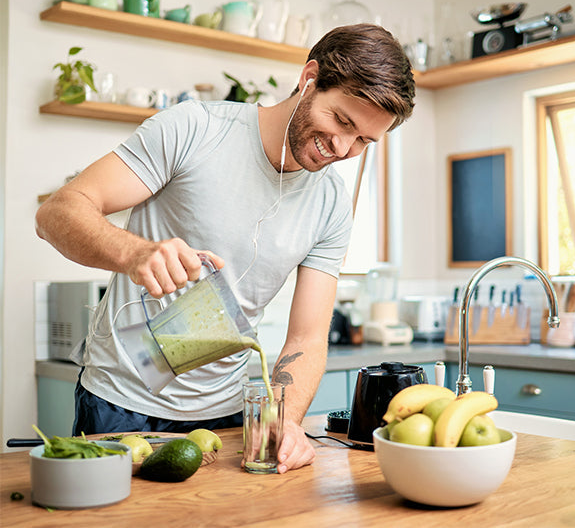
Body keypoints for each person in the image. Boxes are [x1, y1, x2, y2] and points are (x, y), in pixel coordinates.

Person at [35, 23, 415, 474]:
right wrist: (134, 253)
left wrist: (285, 422)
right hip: (120, 405)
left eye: (364, 142)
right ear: (309, 77)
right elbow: (57, 213)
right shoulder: (195, 129)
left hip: (229, 419)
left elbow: (307, 337)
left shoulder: (330, 203)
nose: (341, 148)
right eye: (342, 121)